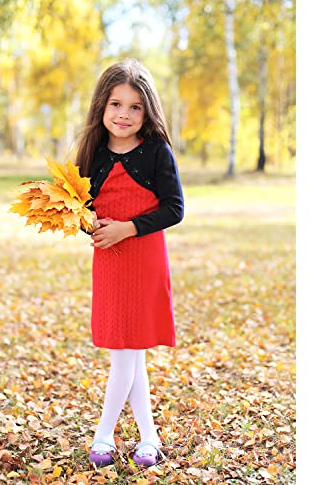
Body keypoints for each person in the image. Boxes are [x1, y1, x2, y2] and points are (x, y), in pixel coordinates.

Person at [75, 59, 184, 468]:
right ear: (102, 106)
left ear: (147, 110)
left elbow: (174, 208)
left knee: (126, 353)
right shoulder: (93, 153)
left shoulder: (156, 152)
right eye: (116, 104)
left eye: (135, 106)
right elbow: (83, 208)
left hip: (143, 260)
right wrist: (90, 225)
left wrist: (128, 228)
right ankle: (149, 438)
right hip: (110, 263)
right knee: (128, 354)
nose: (124, 114)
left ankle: (104, 435)